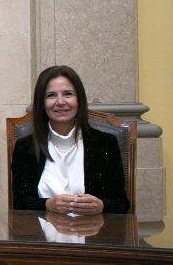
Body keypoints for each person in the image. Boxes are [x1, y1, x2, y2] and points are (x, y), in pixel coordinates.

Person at [10, 65, 130, 214]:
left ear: (79, 99)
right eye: (51, 95)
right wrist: (47, 204)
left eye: (67, 94)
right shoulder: (25, 147)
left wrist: (102, 206)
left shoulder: (106, 144)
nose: (60, 102)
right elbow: (20, 204)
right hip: (41, 235)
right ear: (42, 103)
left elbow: (121, 203)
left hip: (93, 234)